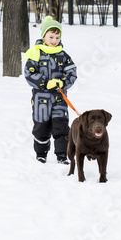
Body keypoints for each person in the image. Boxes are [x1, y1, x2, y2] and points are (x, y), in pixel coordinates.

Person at [23, 16, 77, 164]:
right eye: (51, 36)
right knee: (41, 128)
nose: (54, 40)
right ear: (44, 36)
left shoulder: (63, 56)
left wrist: (62, 82)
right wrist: (45, 83)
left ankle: (62, 156)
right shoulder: (36, 54)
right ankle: (41, 154)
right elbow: (29, 74)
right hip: (41, 101)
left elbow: (72, 72)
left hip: (59, 99)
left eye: (57, 37)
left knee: (61, 128)